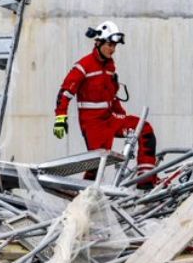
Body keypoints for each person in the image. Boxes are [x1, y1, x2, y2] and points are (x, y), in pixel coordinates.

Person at [53, 21, 158, 189]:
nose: (113, 49)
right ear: (98, 42)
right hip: (93, 125)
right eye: (110, 45)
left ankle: (145, 182)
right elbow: (65, 93)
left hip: (110, 119)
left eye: (114, 45)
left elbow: (112, 96)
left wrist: (122, 115)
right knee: (97, 166)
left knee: (144, 128)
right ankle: (84, 198)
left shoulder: (110, 66)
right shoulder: (83, 66)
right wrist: (60, 118)